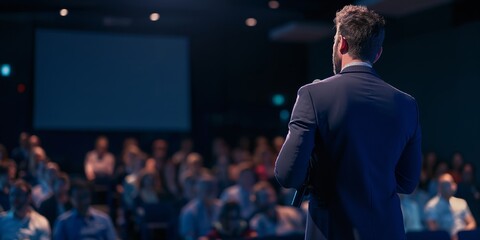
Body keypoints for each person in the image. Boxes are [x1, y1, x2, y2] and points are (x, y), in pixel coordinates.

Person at [274, 5, 422, 240]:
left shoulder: (313, 95)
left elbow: (287, 174)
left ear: (341, 43)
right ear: (377, 53)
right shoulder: (407, 104)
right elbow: (407, 181)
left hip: (332, 230)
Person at [424, 173, 476, 240]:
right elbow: (433, 230)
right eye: (447, 184)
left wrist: (461, 235)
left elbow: (472, 223)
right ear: (439, 187)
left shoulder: (461, 202)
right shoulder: (431, 206)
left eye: (452, 182)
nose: (452, 186)